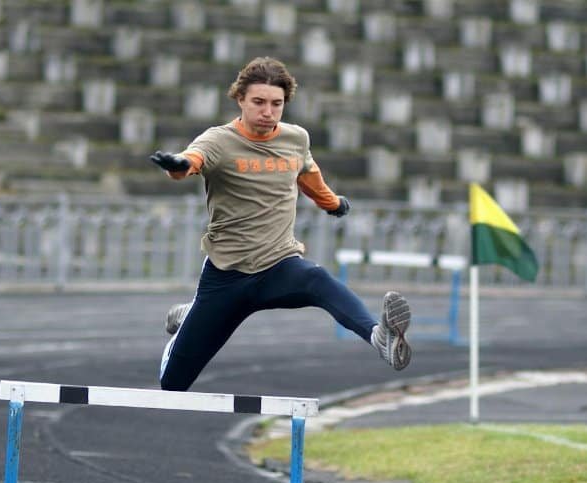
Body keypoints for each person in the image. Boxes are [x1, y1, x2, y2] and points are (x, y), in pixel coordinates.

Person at [150, 56, 411, 392]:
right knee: (173, 385)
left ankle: (380, 337)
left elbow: (308, 174)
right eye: (259, 102)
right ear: (240, 98)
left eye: (277, 104)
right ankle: (190, 318)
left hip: (278, 265)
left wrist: (331, 203)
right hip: (227, 277)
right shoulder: (219, 141)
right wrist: (177, 165)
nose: (268, 111)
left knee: (316, 278)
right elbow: (192, 161)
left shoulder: (296, 138)